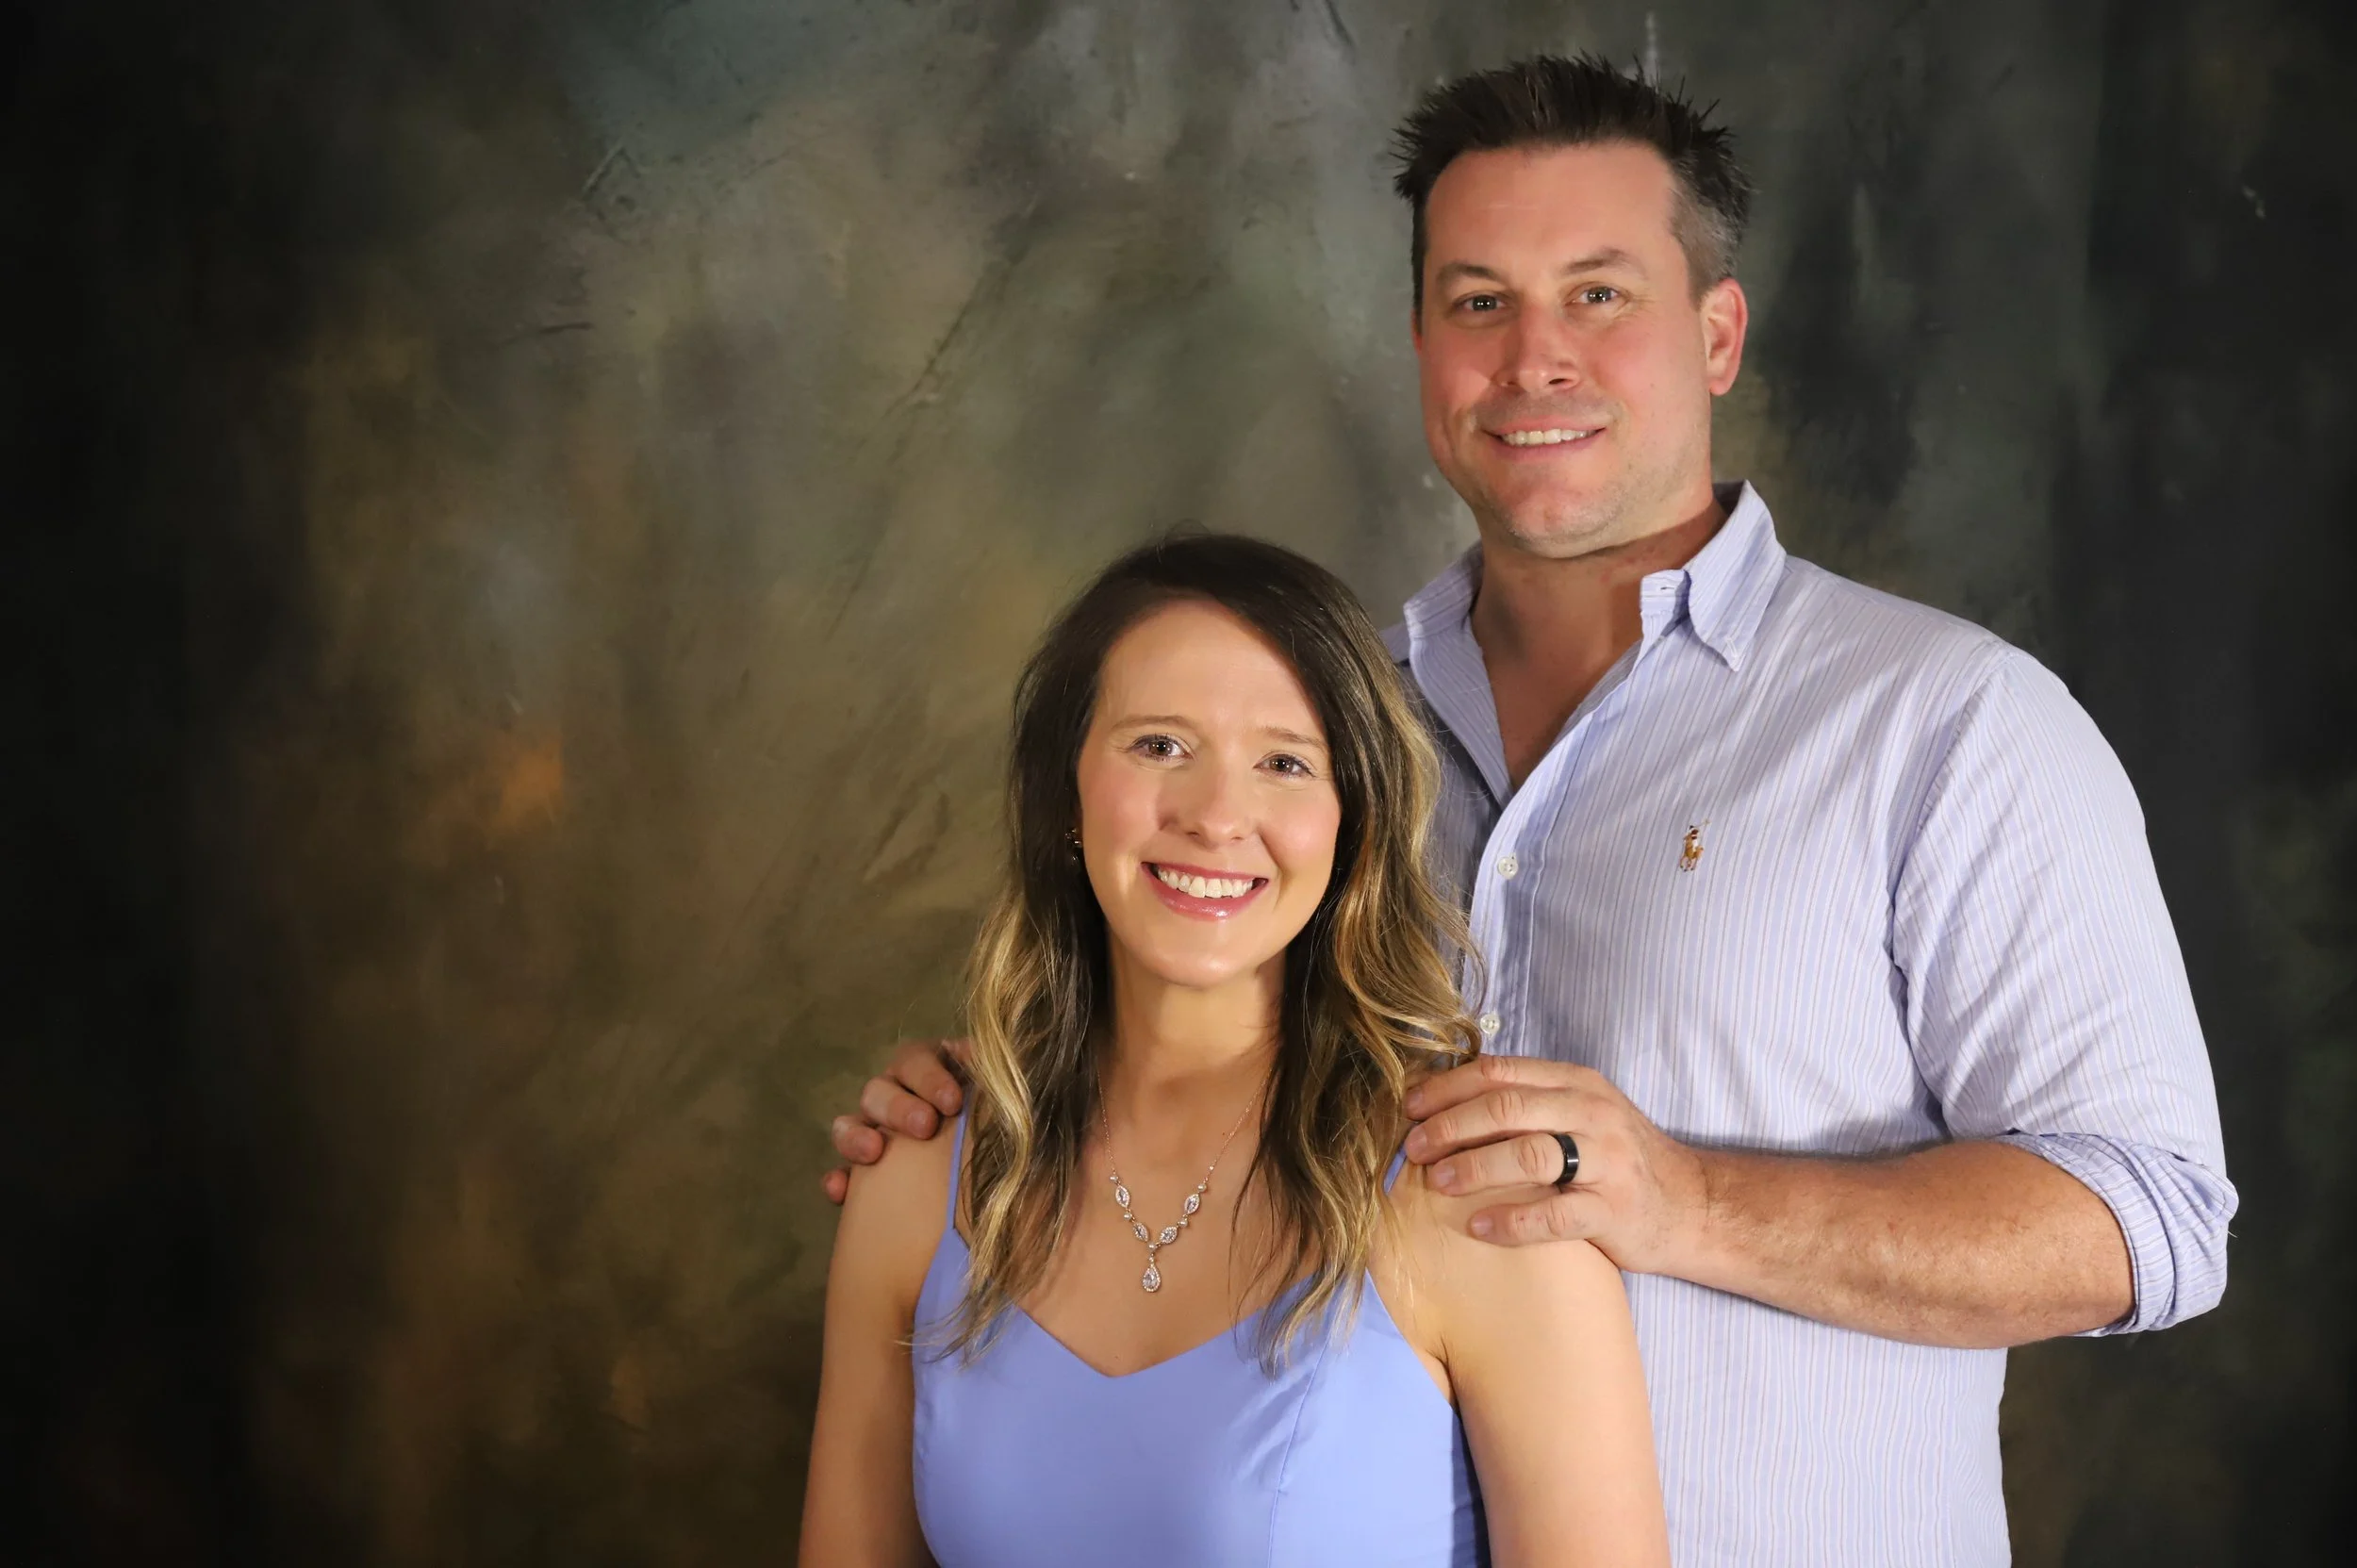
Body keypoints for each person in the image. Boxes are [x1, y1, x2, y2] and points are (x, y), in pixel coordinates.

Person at [827, 56, 2234, 1565]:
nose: (1533, 356)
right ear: (1422, 343)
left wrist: (1685, 1198)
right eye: (1479, 301)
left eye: (1601, 295)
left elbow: (2146, 1215)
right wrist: (1011, 1099)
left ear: (1718, 334)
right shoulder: (1317, 738)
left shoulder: (1943, 721)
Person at [799, 536, 1672, 1566]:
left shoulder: (1476, 1198)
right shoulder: (916, 1176)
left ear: (1351, 825)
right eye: (1158, 745)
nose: (1216, 816)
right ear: (1067, 792)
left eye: (1284, 762)